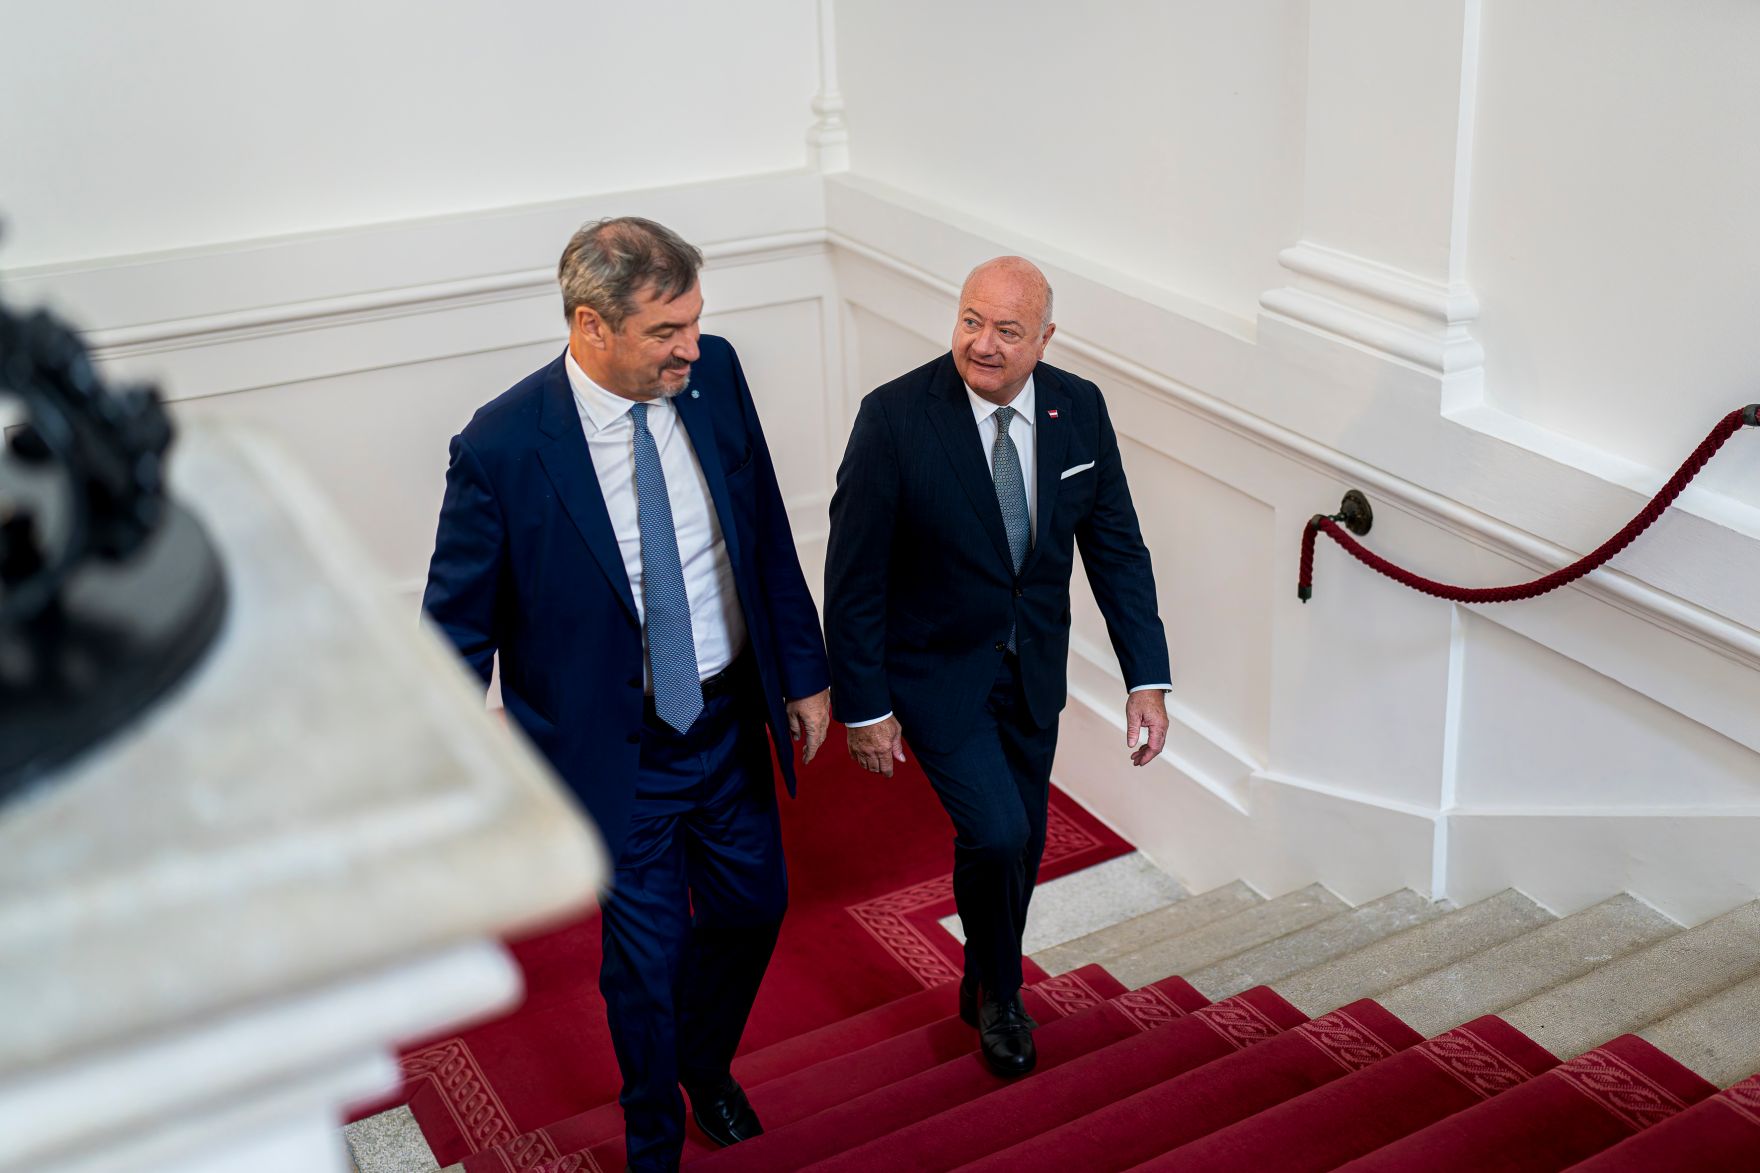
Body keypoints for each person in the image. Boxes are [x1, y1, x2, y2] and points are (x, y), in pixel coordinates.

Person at [422, 216, 831, 1171]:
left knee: (754, 909)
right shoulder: (502, 447)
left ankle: (703, 1062)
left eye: (696, 321)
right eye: (665, 331)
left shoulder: (716, 376)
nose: (692, 346)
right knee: (645, 966)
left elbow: (764, 529)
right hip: (617, 750)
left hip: (726, 722)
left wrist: (804, 670)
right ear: (590, 325)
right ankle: (655, 1135)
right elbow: (455, 629)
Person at [824, 255, 1171, 1078]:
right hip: (936, 671)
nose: (982, 343)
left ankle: (982, 972)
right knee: (999, 831)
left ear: (1045, 338)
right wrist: (864, 705)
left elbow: (1117, 548)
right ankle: (1003, 998)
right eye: (971, 320)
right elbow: (854, 573)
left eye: (1007, 330)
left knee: (1023, 839)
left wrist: (1146, 677)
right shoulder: (894, 417)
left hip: (1033, 668)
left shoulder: (1079, 408)